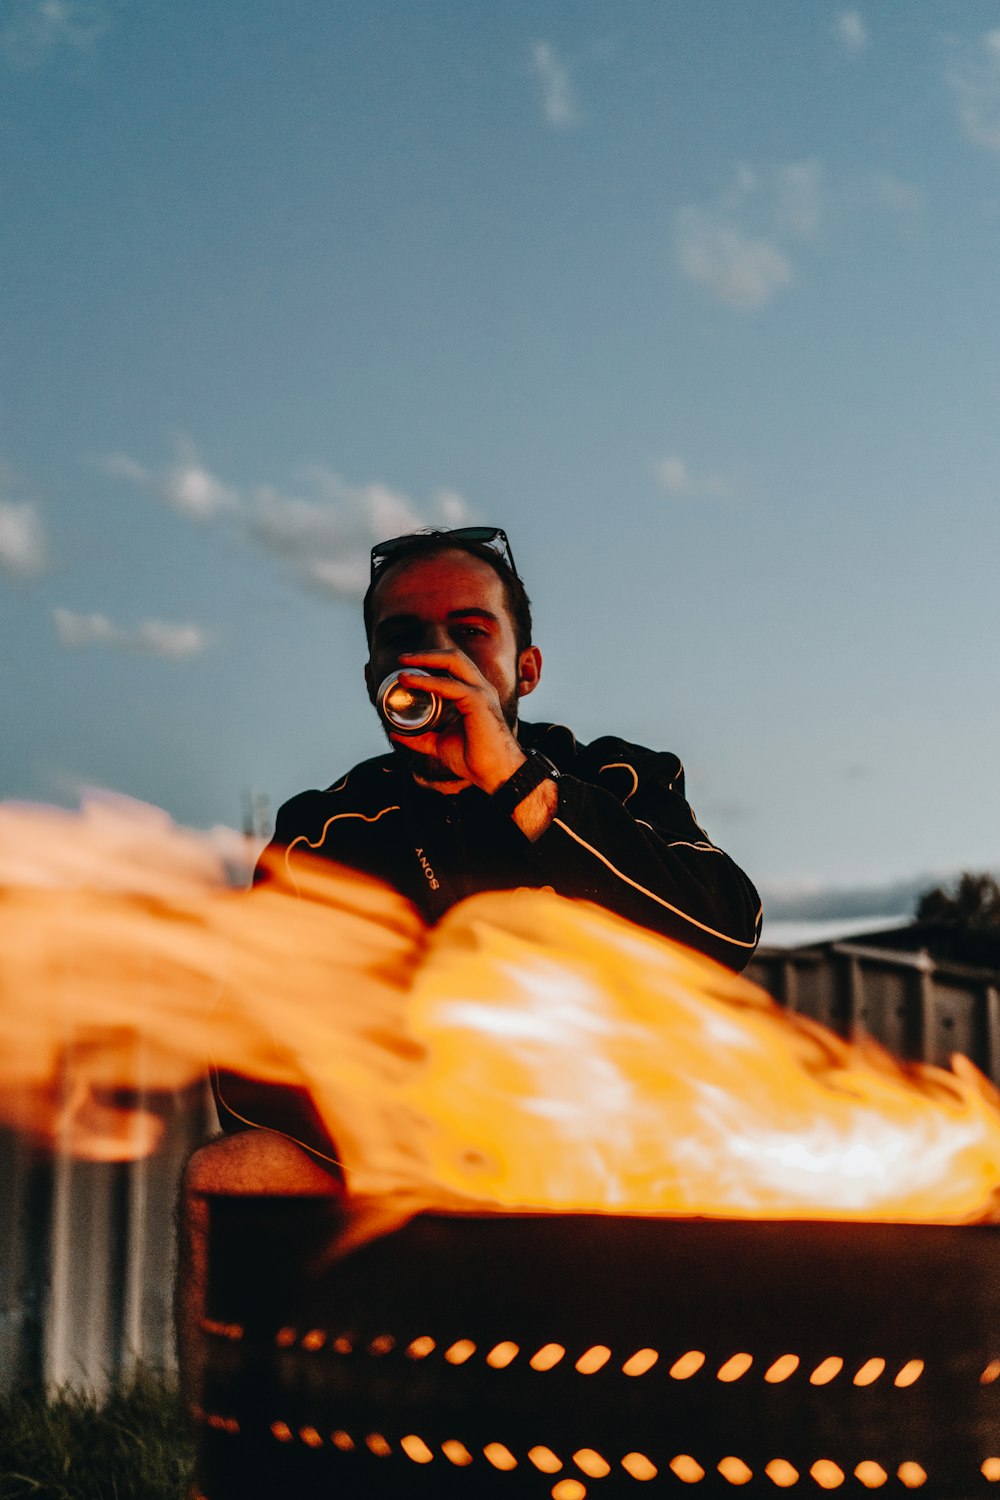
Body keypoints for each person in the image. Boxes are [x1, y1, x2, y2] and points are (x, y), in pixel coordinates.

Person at [179, 526, 761, 1390]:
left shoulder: (620, 780)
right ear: (377, 674)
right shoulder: (326, 830)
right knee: (229, 1177)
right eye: (403, 636)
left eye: (469, 629)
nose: (434, 653)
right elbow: (244, 1067)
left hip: (616, 1145)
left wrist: (521, 788)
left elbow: (723, 933)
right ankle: (239, 1456)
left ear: (525, 667)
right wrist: (401, 1138)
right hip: (394, 1161)